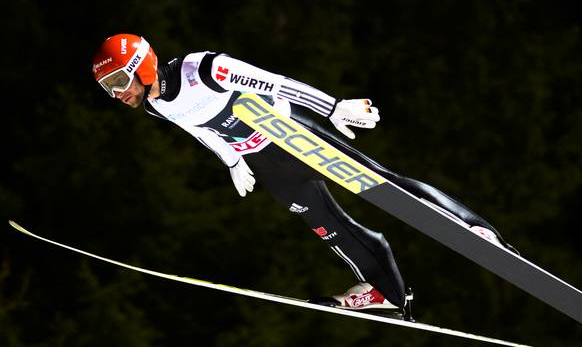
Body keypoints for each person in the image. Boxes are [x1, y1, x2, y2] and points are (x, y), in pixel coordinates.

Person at [92, 34, 515, 314]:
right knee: (326, 225)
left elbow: (276, 83)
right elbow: (197, 129)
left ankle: (474, 228)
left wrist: (333, 107)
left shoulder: (202, 69)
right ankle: (384, 290)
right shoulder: (153, 104)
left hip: (291, 134)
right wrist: (233, 162)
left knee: (378, 182)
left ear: (141, 67)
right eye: (107, 87)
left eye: (117, 80)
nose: (116, 94)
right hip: (262, 160)